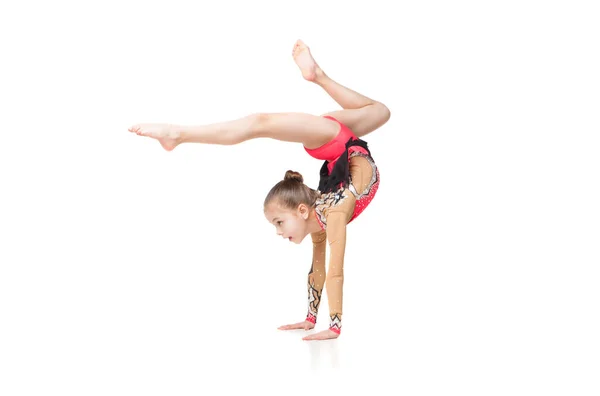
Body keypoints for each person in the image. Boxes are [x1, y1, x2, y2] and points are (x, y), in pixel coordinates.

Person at [128, 40, 391, 341]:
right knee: (260, 122)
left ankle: (317, 76)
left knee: (380, 112)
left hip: (340, 145)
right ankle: (178, 134)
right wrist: (328, 325)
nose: (279, 232)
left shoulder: (323, 215)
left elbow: (324, 269)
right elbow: (332, 269)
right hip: (338, 144)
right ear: (303, 210)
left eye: (279, 222)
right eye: (278, 223)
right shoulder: (330, 213)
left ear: (303, 210)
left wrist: (319, 321)